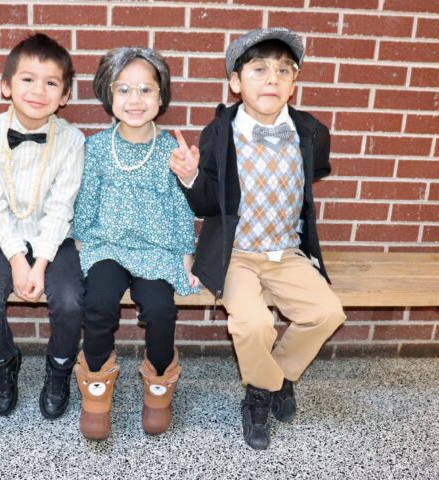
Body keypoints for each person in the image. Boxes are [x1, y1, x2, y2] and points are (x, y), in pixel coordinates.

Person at [169, 28, 346, 450]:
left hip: (286, 251)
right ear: (235, 82)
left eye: (284, 70)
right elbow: (209, 203)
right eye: (259, 69)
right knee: (252, 323)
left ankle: (273, 379)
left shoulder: (310, 131)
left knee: (327, 312)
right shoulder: (219, 132)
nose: (272, 79)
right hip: (238, 255)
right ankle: (259, 396)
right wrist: (191, 176)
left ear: (294, 82)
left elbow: (311, 178)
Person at [72, 47, 199, 441]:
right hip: (107, 245)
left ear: (161, 98)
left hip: (155, 251)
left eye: (146, 90)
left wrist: (186, 260)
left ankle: (159, 382)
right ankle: (96, 384)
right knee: (98, 303)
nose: (135, 100)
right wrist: (82, 249)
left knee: (161, 308)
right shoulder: (95, 147)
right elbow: (85, 203)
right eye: (124, 89)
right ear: (109, 96)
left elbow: (180, 211)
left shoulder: (170, 151)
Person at [0, 33, 84, 420]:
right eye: (28, 79)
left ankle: (59, 369)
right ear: (6, 86)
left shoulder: (71, 140)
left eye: (51, 83)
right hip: (4, 237)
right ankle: (4, 364)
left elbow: (61, 208)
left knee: (70, 301)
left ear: (64, 95)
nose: (39, 90)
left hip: (55, 237)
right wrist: (19, 260)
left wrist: (40, 263)